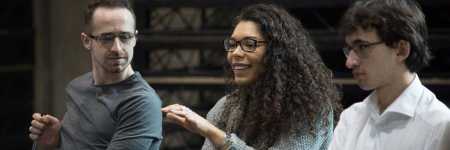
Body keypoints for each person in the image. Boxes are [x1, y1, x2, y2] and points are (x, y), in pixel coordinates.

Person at [162, 4, 341, 150]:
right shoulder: (225, 107)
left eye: (250, 44)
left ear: (277, 52)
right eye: (232, 44)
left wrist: (215, 135)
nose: (235, 53)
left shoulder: (311, 109)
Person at [28, 0, 163, 149]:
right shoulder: (78, 86)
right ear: (86, 41)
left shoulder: (141, 103)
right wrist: (53, 143)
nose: (117, 48)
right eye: (107, 38)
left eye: (125, 37)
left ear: (135, 39)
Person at [328, 0, 450, 149]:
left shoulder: (439, 125)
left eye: (363, 47)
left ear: (401, 50)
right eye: (350, 49)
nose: (350, 62)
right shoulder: (350, 118)